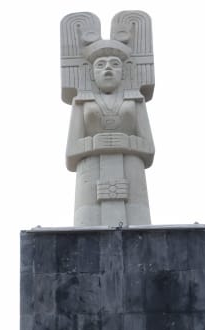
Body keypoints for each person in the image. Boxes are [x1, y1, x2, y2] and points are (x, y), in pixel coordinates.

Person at [66, 36, 154, 227]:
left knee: (139, 229)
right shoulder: (82, 101)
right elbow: (70, 151)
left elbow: (149, 148)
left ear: (123, 72)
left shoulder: (135, 100)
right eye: (100, 65)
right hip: (90, 168)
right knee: (87, 230)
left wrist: (124, 142)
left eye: (114, 64)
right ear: (91, 74)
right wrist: (95, 143)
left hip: (131, 166)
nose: (108, 68)